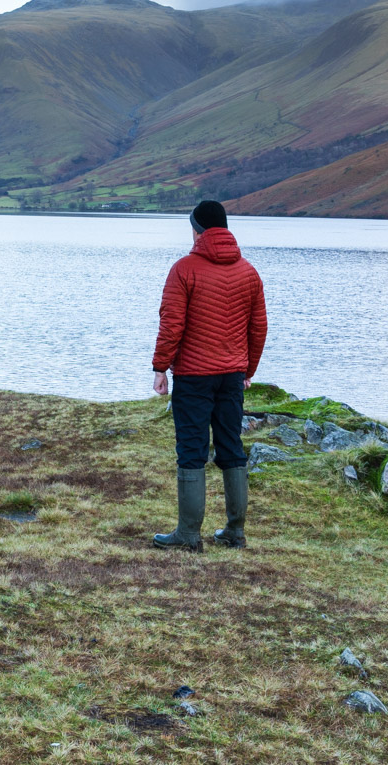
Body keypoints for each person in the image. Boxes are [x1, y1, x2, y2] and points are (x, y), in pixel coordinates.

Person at [150, 199, 268, 551]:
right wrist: (248, 369)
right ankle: (235, 531)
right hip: (231, 374)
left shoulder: (184, 269)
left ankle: (188, 535)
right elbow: (258, 326)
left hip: (193, 374)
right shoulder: (248, 271)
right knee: (232, 447)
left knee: (191, 449)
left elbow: (172, 324)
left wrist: (160, 367)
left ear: (197, 229)